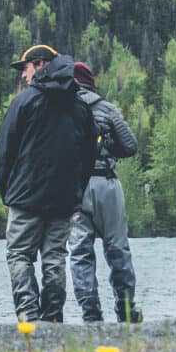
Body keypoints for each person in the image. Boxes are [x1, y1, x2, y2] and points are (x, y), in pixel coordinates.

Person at [0, 44, 91, 322]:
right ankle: (53, 319)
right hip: (63, 201)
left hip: (25, 198)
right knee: (54, 258)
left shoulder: (24, 102)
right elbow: (88, 156)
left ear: (39, 65)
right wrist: (77, 194)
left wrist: (7, 193)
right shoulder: (80, 106)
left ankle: (28, 315)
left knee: (19, 255)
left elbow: (5, 151)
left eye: (25, 68)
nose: (23, 75)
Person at [66, 62, 142, 323]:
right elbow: (130, 146)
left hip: (75, 188)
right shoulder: (107, 108)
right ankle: (126, 309)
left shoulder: (62, 110)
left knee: (80, 253)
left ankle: (91, 314)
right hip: (106, 183)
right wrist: (110, 149)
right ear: (91, 82)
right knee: (117, 248)